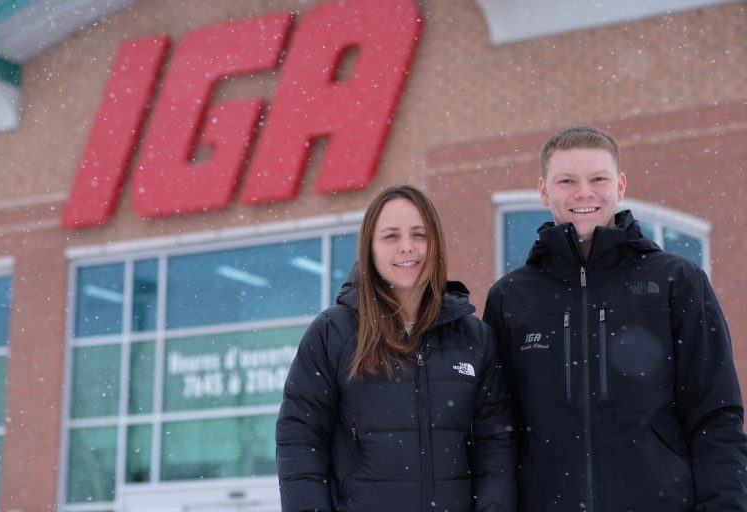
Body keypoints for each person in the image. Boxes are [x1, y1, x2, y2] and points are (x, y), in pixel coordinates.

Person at [483, 124, 747, 512]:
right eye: (567, 181)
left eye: (598, 179)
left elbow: (716, 415)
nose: (584, 193)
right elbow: (496, 433)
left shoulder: (676, 281)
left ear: (620, 185)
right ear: (544, 190)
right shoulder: (510, 297)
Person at [276, 185, 516, 512]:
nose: (407, 247)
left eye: (419, 234)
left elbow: (496, 444)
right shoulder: (333, 333)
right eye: (391, 236)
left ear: (435, 245)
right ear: (370, 249)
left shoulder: (475, 338)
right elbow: (300, 439)